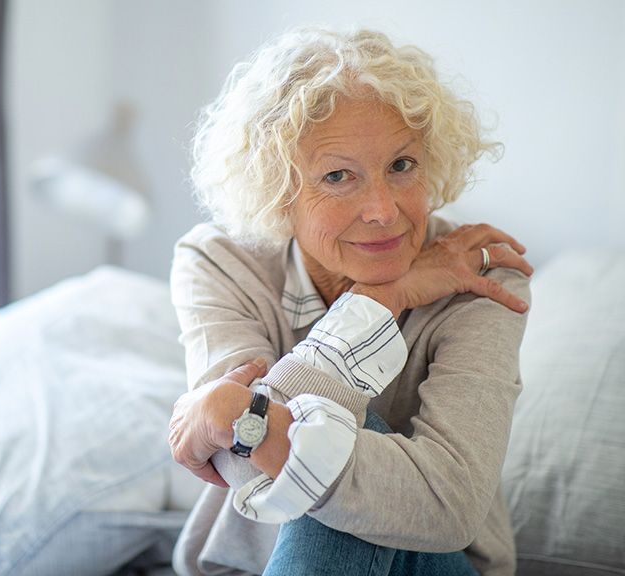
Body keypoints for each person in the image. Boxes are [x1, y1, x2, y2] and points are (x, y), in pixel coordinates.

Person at [167, 26, 533, 576]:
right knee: (329, 450)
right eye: (338, 176)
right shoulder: (219, 260)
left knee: (327, 446)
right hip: (255, 560)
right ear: (277, 187)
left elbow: (447, 506)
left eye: (402, 166)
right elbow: (238, 468)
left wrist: (248, 416)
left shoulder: (479, 274)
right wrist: (384, 297)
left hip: (436, 565)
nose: (384, 210)